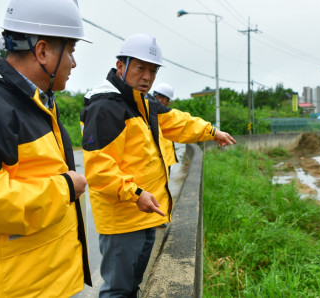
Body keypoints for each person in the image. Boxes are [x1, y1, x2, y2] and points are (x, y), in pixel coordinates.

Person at [0, 0, 92, 296]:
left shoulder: (34, 102)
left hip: (44, 280)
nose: (73, 63)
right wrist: (65, 187)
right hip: (11, 288)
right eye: (71, 51)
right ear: (42, 52)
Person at [81, 33, 236, 297]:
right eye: (140, 68)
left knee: (133, 287)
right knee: (118, 290)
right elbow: (99, 169)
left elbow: (177, 121)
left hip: (146, 212)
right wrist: (135, 194)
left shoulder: (142, 102)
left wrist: (211, 131)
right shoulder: (106, 107)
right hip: (123, 220)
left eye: (152, 71)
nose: (147, 77)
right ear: (121, 66)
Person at [152, 82, 178, 172]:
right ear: (159, 97)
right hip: (160, 162)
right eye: (167, 100)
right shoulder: (151, 113)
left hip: (166, 160)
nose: (168, 103)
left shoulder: (162, 113)